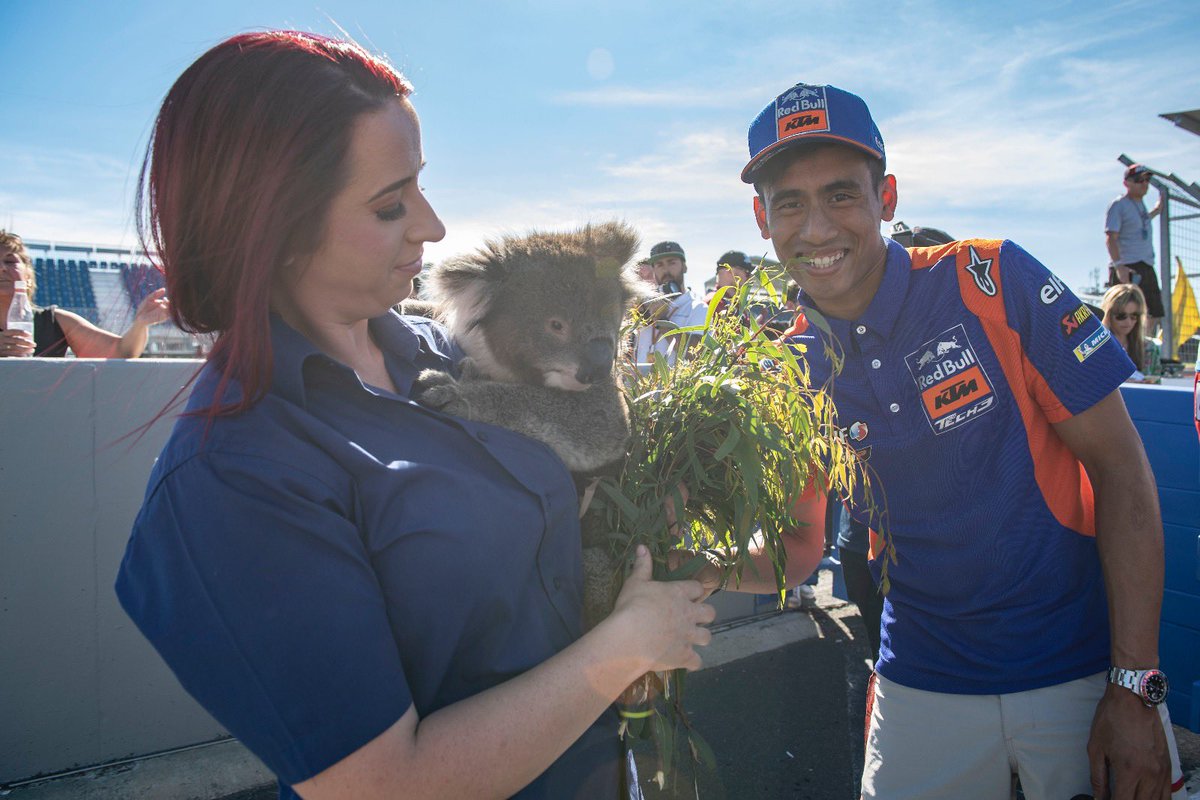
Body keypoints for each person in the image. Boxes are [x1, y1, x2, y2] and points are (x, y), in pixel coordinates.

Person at [113, 32, 733, 800]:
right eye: (389, 204)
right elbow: (379, 785)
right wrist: (624, 648)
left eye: (421, 186)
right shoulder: (234, 474)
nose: (433, 226)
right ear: (271, 226)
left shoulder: (442, 355)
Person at [741, 81, 1185, 799]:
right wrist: (678, 566)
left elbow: (1122, 468)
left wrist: (1135, 684)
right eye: (789, 202)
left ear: (886, 197)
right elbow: (797, 551)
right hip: (921, 684)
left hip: (1082, 672)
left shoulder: (993, 279)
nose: (816, 227)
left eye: (841, 195)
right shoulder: (790, 366)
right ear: (762, 219)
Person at [0, 231, 170, 358]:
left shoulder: (54, 322)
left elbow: (122, 352)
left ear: (28, 276)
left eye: (9, 261)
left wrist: (140, 325)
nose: (2, 268)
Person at [1106, 164, 1164, 335]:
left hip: (1146, 265)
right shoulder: (1119, 205)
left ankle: (1140, 349)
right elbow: (1110, 238)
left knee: (1153, 312)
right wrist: (1119, 267)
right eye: (1139, 180)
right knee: (1122, 315)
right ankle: (1122, 353)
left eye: (1147, 180)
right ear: (1127, 183)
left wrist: (1156, 210)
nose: (1144, 183)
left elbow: (1141, 222)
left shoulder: (1141, 207)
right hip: (1128, 267)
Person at [631, 240, 708, 368]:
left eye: (672, 263)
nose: (666, 270)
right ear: (654, 270)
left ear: (684, 266)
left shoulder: (698, 308)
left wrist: (662, 321)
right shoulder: (645, 307)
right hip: (642, 385)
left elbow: (697, 354)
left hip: (678, 387)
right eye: (659, 265)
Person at [1101, 283, 1162, 384]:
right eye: (1121, 316)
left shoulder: (1151, 348)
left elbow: (1158, 384)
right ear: (1108, 315)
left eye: (1134, 316)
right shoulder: (1096, 348)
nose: (1128, 322)